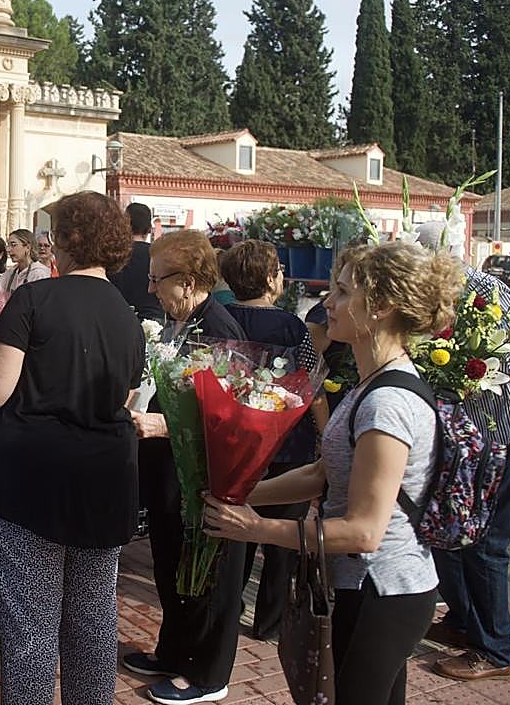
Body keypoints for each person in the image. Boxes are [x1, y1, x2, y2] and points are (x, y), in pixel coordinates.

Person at [204, 241, 459, 705]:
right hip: (367, 588)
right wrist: (238, 494)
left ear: (379, 308)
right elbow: (322, 472)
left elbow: (364, 532)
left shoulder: (387, 402)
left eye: (342, 293)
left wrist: (257, 528)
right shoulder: (372, 384)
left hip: (382, 591)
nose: (328, 304)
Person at [0, 192, 143, 705]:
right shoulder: (127, 315)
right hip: (104, 478)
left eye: (53, 233)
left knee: (31, 627)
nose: (47, 243)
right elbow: (125, 395)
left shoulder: (35, 299)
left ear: (69, 240)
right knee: (92, 619)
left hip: (32, 481)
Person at [124, 228, 245, 705]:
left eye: (159, 280)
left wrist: (160, 424)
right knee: (170, 562)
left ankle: (206, 671)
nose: (151, 289)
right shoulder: (180, 321)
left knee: (202, 571)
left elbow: (229, 411)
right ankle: (173, 650)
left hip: (198, 474)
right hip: (168, 470)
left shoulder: (217, 327)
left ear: (191, 282)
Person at [414, 222, 510, 681]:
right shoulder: (484, 290)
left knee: (483, 544)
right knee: (451, 536)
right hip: (477, 436)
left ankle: (494, 650)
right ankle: (464, 621)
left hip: (497, 435)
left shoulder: (476, 298)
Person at [219, 239, 322, 641]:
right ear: (268, 278)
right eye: (278, 270)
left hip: (236, 442)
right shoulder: (292, 326)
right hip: (287, 442)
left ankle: (229, 606)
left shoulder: (219, 318)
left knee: (235, 531)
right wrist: (322, 432)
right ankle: (271, 621)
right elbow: (312, 386)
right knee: (284, 534)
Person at [109, 202, 166, 323]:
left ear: (124, 226)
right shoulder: (159, 255)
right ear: (149, 229)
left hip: (117, 319)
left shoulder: (112, 255)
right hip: (154, 321)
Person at [0, 229, 50, 295]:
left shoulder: (39, 274)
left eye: (13, 245)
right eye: (8, 245)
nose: (8, 250)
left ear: (28, 247)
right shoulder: (10, 273)